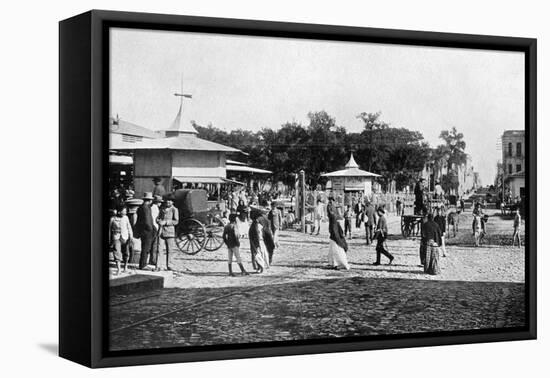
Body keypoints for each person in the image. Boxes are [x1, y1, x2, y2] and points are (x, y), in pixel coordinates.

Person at [156, 194, 179, 271]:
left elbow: (176, 221)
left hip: (170, 232)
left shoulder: (174, 210)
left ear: (173, 202)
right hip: (161, 231)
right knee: (159, 249)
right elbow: (158, 218)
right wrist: (159, 221)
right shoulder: (162, 209)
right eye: (167, 200)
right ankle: (158, 265)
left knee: (170, 250)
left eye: (170, 200)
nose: (168, 202)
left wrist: (166, 222)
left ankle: (169, 265)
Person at [109, 205, 133, 275]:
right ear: (119, 211)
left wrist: (131, 236)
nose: (125, 212)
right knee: (117, 252)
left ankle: (125, 268)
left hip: (125, 237)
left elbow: (129, 227)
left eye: (126, 211)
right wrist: (109, 240)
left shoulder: (126, 218)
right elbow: (109, 230)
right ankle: (119, 269)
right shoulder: (112, 219)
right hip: (116, 238)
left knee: (126, 253)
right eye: (124, 211)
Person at [135, 192, 155, 270]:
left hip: (142, 230)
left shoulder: (141, 207)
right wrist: (151, 229)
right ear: (150, 200)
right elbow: (147, 220)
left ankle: (143, 263)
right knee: (146, 248)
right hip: (147, 231)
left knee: (145, 247)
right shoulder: (146, 208)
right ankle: (143, 265)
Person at [327, 205, 350, 270]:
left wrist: (337, 237)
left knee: (337, 251)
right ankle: (334, 263)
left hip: (335, 237)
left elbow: (335, 229)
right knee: (333, 251)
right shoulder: (333, 217)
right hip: (334, 236)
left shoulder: (333, 217)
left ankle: (340, 264)